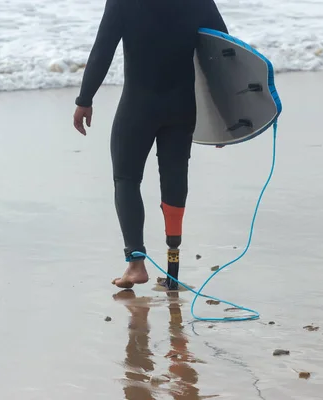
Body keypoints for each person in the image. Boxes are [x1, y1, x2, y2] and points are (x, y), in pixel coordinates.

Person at [73, 0, 228, 289]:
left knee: (126, 179)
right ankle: (173, 270)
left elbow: (103, 49)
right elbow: (220, 52)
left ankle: (135, 264)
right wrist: (222, 114)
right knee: (174, 175)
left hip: (138, 106)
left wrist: (85, 99)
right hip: (182, 107)